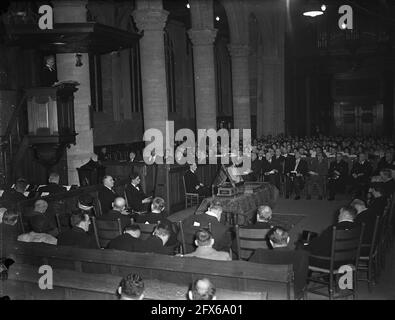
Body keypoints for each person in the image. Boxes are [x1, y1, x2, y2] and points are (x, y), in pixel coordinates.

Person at [249, 227, 309, 300]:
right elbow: (301, 282)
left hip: (265, 294)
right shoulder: (302, 255)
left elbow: (249, 275)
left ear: (270, 242)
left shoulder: (259, 253)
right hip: (290, 295)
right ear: (288, 239)